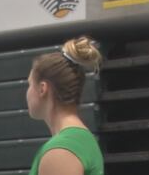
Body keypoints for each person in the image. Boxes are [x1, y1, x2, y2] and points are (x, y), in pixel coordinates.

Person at [26, 36, 104, 175]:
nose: (27, 92)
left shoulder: (61, 151)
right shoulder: (79, 140)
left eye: (30, 84)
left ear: (42, 89)